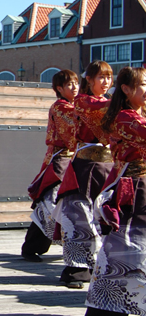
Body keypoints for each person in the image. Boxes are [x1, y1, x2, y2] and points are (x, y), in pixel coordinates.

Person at [85, 66, 146, 316]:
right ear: (127, 89)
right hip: (133, 189)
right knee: (128, 249)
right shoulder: (125, 117)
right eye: (144, 84)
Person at [55, 60, 113, 289]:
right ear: (89, 80)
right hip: (84, 166)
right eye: (101, 77)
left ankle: (104, 265)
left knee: (105, 216)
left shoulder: (112, 104)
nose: (106, 82)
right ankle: (76, 269)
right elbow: (104, 111)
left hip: (108, 167)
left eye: (109, 77)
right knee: (79, 218)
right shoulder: (82, 102)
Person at [22, 69, 79, 262]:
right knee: (49, 203)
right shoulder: (62, 107)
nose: (74, 87)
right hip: (61, 159)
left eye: (76, 83)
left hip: (72, 159)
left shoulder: (73, 106)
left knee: (53, 204)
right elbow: (74, 131)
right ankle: (32, 246)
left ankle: (34, 246)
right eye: (69, 84)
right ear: (59, 89)